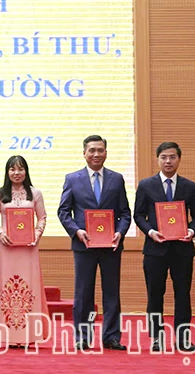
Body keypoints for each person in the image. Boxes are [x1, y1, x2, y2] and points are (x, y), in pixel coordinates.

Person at [58, 135, 130, 351]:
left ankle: (111, 337)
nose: (96, 154)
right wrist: (76, 231)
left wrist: (119, 232)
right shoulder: (72, 178)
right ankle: (82, 337)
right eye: (92, 150)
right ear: (84, 153)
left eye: (100, 150)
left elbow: (125, 213)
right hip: (84, 246)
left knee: (111, 293)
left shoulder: (117, 179)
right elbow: (63, 211)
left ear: (106, 153)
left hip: (111, 246)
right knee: (83, 293)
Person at [133, 142, 195, 352]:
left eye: (172, 157)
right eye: (164, 157)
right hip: (155, 249)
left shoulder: (189, 186)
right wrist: (150, 231)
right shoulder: (146, 185)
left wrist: (191, 231)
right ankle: (156, 338)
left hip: (182, 250)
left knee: (182, 294)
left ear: (179, 159)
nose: (168, 161)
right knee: (155, 294)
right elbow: (138, 214)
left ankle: (182, 339)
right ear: (158, 159)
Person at [0, 155, 50, 348]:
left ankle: (28, 335)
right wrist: (0, 233)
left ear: (26, 171)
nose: (17, 173)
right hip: (6, 249)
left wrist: (37, 234)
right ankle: (9, 335)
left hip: (28, 248)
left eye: (21, 169)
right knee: (7, 290)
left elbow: (42, 217)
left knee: (28, 288)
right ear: (7, 172)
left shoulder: (35, 193)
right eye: (12, 169)